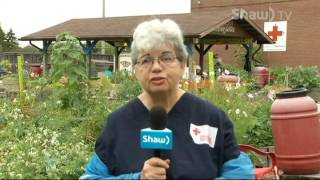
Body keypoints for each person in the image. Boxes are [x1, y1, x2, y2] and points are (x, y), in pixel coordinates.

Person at [81, 19, 254, 179]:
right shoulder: (118, 123)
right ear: (135, 69)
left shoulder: (211, 118)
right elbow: (92, 177)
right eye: (146, 60)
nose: (156, 67)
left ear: (182, 63)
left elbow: (241, 174)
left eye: (166, 58)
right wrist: (137, 177)